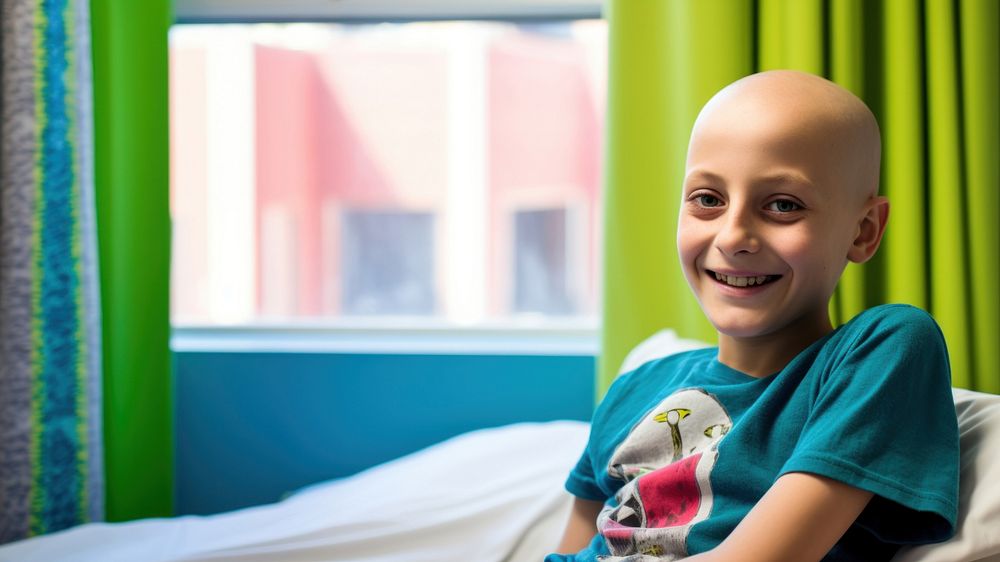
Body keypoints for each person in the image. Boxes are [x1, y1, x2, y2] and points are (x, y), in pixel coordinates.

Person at [545, 70, 959, 561]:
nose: (733, 236)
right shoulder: (636, 387)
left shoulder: (884, 348)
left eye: (783, 205)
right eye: (707, 200)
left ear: (863, 230)